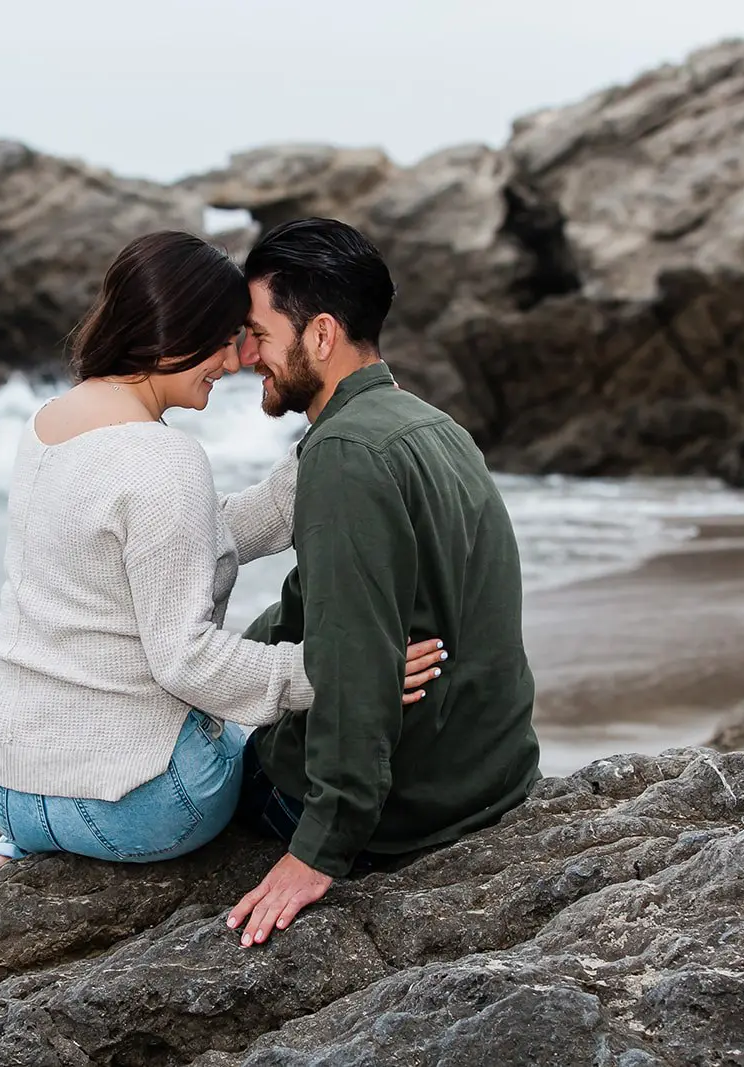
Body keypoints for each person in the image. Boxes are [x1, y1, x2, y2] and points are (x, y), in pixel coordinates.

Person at [0, 231, 443, 907]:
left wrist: (324, 445)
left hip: (2, 784)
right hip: (131, 809)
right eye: (224, 339)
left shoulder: (51, 423)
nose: (233, 362)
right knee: (254, 734)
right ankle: (33, 849)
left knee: (215, 698)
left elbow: (177, 539)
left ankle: (9, 859)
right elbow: (189, 662)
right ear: (173, 336)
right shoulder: (163, 462)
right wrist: (331, 671)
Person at [223, 218, 542, 947]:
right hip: (492, 777)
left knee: (184, 772)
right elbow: (363, 617)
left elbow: (357, 662)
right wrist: (259, 655)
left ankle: (14, 847)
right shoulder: (433, 425)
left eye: (260, 335)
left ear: (322, 334)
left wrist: (316, 849)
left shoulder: (342, 456)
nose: (248, 359)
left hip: (408, 811)